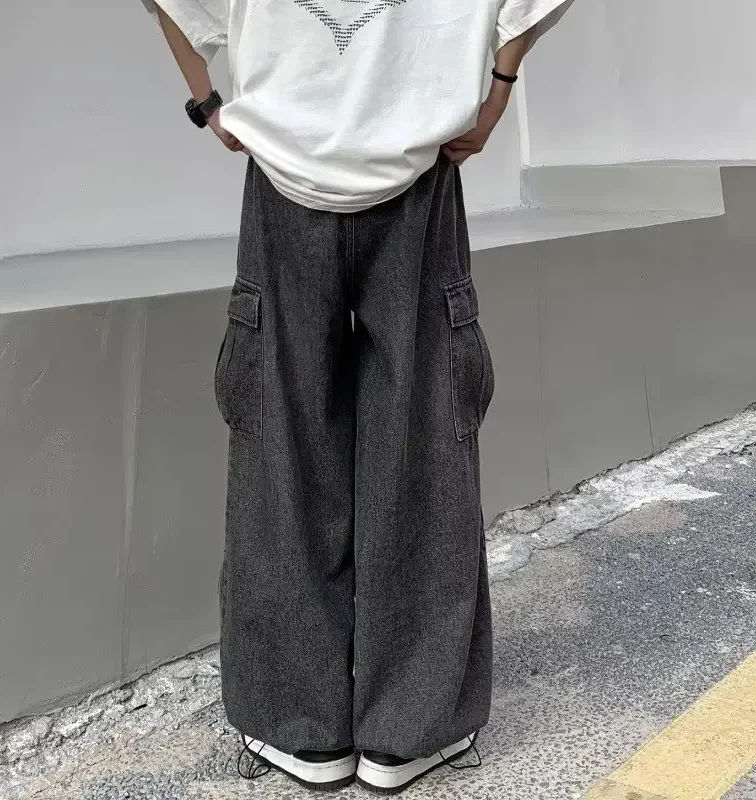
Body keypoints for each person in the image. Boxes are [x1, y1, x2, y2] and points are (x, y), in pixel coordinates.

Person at [141, 0, 573, 793]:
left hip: (286, 164)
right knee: (422, 441)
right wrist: (499, 86)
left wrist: (206, 98)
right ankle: (409, 729)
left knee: (282, 446)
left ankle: (299, 725)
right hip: (415, 159)